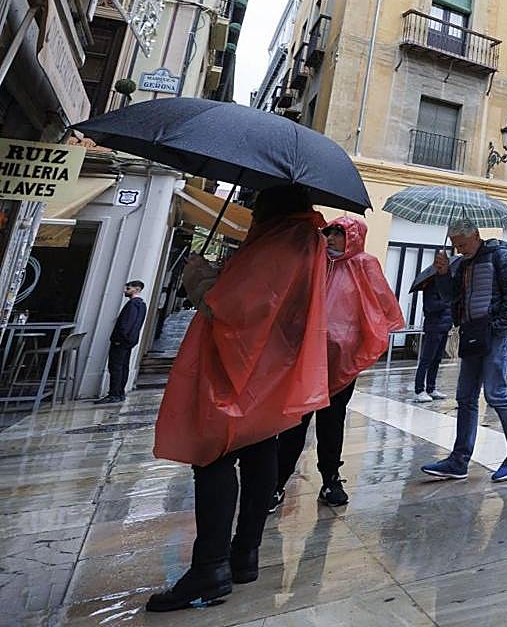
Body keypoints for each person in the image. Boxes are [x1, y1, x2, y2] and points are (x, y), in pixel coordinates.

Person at [146, 185, 330, 611]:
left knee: (214, 454)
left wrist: (201, 281)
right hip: (273, 366)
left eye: (256, 203)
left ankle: (210, 566)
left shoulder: (282, 241)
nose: (250, 210)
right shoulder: (306, 240)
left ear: (272, 204)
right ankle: (244, 553)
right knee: (261, 444)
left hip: (243, 366)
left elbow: (237, 307)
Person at [273, 216, 404, 511]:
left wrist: (360, 341)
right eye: (329, 232)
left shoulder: (365, 264)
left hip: (342, 361)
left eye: (338, 233)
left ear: (353, 237)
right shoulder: (316, 263)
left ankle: (330, 479)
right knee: (295, 421)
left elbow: (382, 305)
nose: (330, 238)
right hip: (309, 358)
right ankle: (277, 482)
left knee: (332, 422)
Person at [421, 217, 507, 482]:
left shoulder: (500, 254)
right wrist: (444, 274)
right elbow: (451, 298)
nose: (458, 249)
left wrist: (499, 326)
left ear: (475, 236)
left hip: (495, 335)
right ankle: (459, 461)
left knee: (496, 393)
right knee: (465, 397)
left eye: (462, 244)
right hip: (472, 334)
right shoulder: (463, 263)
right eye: (455, 245)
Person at [97, 280, 147, 404]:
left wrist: (120, 339)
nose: (125, 291)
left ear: (137, 289)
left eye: (128, 288)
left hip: (121, 341)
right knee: (123, 367)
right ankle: (120, 392)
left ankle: (114, 393)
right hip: (129, 341)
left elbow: (126, 324)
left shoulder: (132, 305)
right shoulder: (141, 305)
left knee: (116, 367)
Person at [415, 252, 454, 402]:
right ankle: (419, 390)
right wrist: (446, 302)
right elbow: (430, 306)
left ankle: (431, 387)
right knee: (427, 359)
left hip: (445, 326)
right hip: (434, 326)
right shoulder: (431, 284)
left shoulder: (446, 283)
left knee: (437, 359)